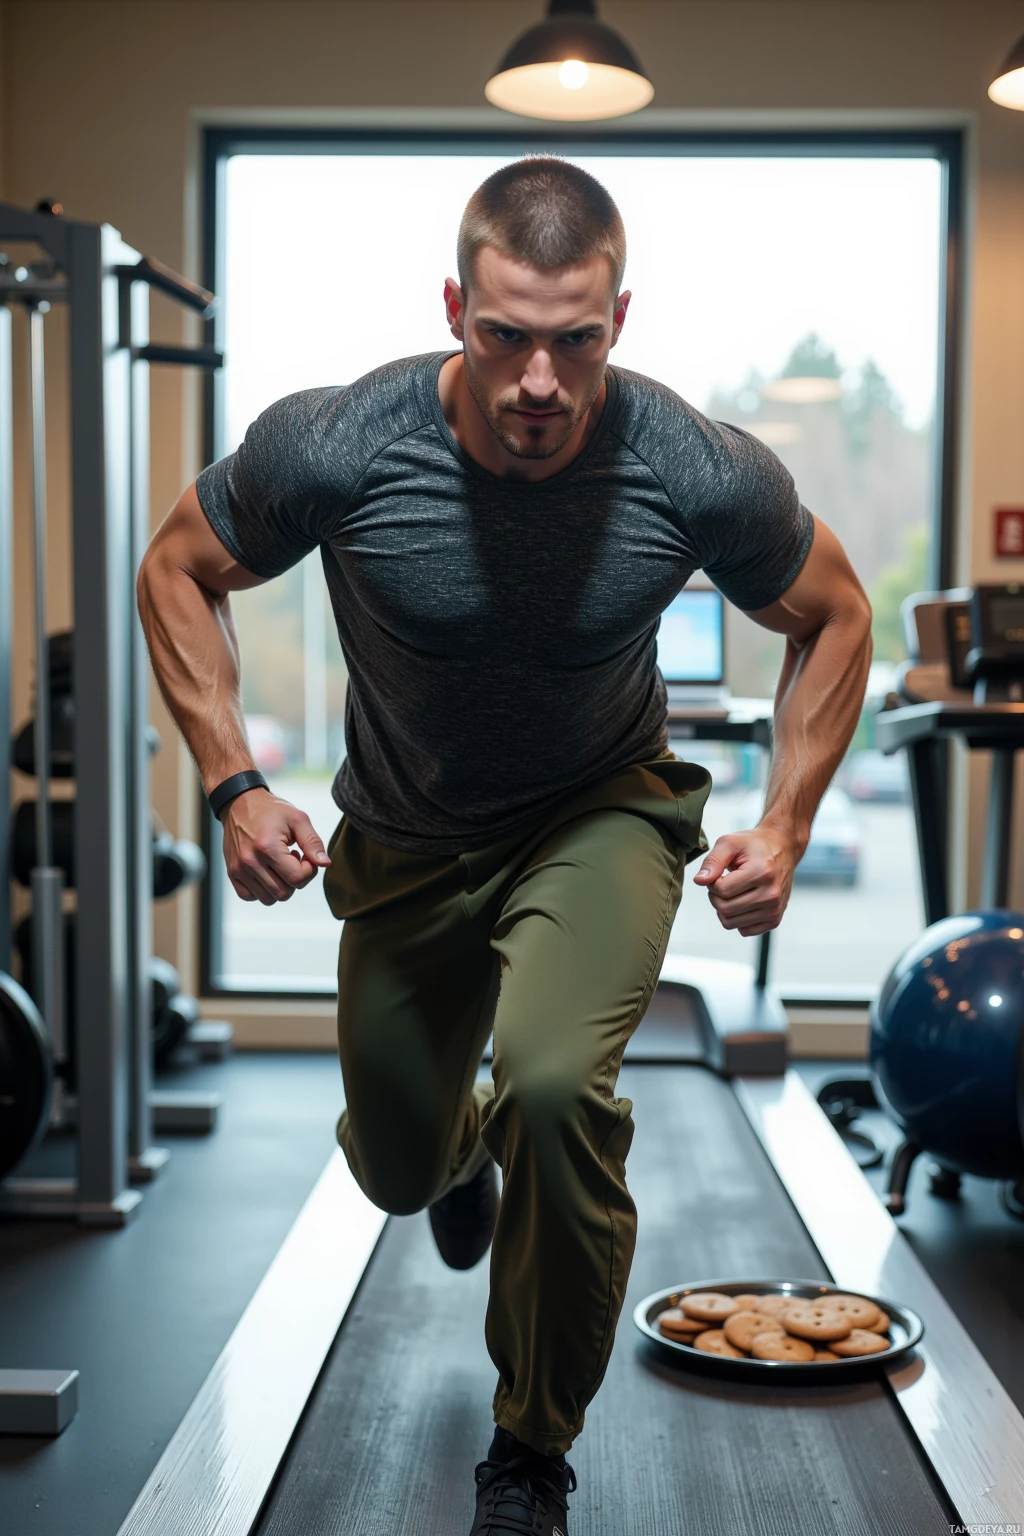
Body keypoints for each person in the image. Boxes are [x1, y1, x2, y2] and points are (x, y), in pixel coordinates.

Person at [137, 157, 872, 1535]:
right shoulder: (341, 443)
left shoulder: (688, 463)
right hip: (409, 835)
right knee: (397, 1165)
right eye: (506, 335)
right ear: (455, 308)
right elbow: (178, 564)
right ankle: (451, 1152)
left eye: (576, 339)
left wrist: (785, 819)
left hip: (598, 811)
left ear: (621, 318)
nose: (541, 378)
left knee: (553, 1088)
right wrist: (235, 784)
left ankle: (531, 1446)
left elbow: (833, 612)